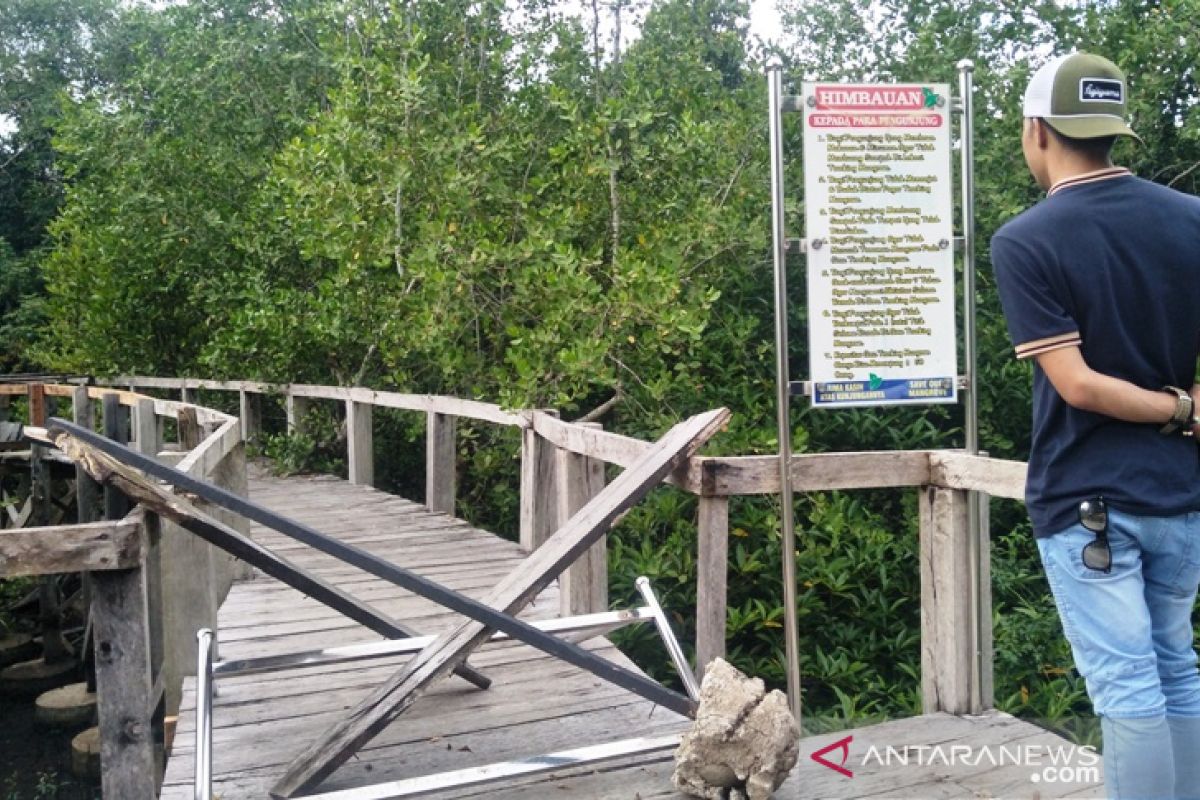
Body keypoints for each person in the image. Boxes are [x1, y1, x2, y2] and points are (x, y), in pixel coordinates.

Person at [991, 52, 1200, 799]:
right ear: (1115, 133)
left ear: (1037, 131)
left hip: (1090, 506)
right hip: (1181, 492)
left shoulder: (1026, 240)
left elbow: (1076, 385)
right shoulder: (1192, 218)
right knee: (1177, 663)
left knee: (1126, 686)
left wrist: (1179, 408)